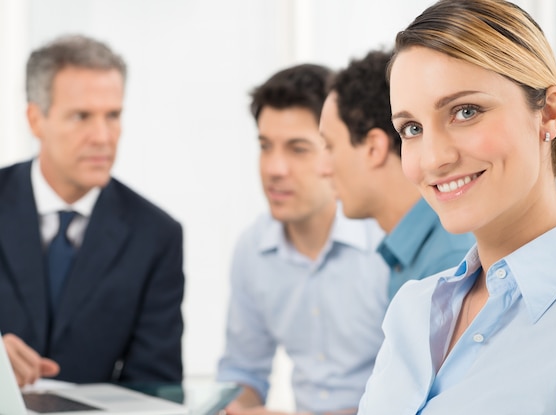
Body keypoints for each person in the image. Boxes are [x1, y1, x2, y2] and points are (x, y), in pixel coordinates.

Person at [358, 0, 556, 414]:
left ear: (549, 114)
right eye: (412, 128)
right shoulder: (412, 309)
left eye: (466, 112)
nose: (432, 158)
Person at [0, 35, 184, 386]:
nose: (102, 136)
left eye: (112, 115)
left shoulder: (156, 235)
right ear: (36, 120)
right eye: (81, 116)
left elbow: (154, 386)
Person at [217, 64, 389, 415]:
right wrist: (239, 407)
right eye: (266, 147)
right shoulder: (253, 249)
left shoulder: (386, 240)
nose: (275, 169)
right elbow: (243, 370)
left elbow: (423, 389)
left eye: (298, 149)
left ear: (333, 150)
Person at [319, 49, 474, 299]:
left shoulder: (449, 262)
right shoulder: (410, 255)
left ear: (374, 148)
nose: (322, 169)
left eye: (329, 146)